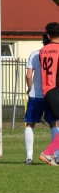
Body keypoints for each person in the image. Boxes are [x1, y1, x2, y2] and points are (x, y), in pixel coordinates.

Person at [24, 33, 58, 165]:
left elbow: (28, 76)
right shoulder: (55, 53)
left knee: (30, 124)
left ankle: (29, 157)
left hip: (35, 94)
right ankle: (55, 155)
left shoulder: (34, 54)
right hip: (51, 93)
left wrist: (30, 88)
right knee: (53, 124)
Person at [38, 22, 59, 166]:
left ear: (48, 35)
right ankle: (49, 153)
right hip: (57, 88)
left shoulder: (42, 51)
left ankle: (52, 154)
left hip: (47, 91)